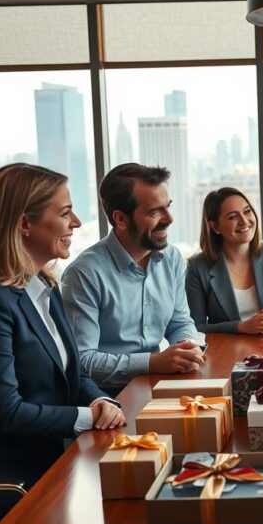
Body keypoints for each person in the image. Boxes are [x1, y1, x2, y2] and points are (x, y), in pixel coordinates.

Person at [0, 163, 124, 524]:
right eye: (65, 213)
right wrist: (87, 418)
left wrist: (100, 400)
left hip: (36, 459)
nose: (77, 222)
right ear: (24, 224)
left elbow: (73, 371)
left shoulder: (42, 289)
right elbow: (5, 411)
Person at [62, 163, 205, 396]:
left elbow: (179, 322)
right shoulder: (84, 274)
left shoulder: (172, 258)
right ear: (120, 219)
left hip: (157, 385)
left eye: (167, 207)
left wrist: (189, 346)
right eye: (154, 212)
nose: (169, 219)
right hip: (106, 400)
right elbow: (82, 360)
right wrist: (151, 362)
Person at [185, 187, 263, 334]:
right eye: (232, 217)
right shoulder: (198, 266)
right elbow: (196, 327)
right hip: (226, 352)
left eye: (247, 211)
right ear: (215, 226)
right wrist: (240, 327)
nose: (244, 221)